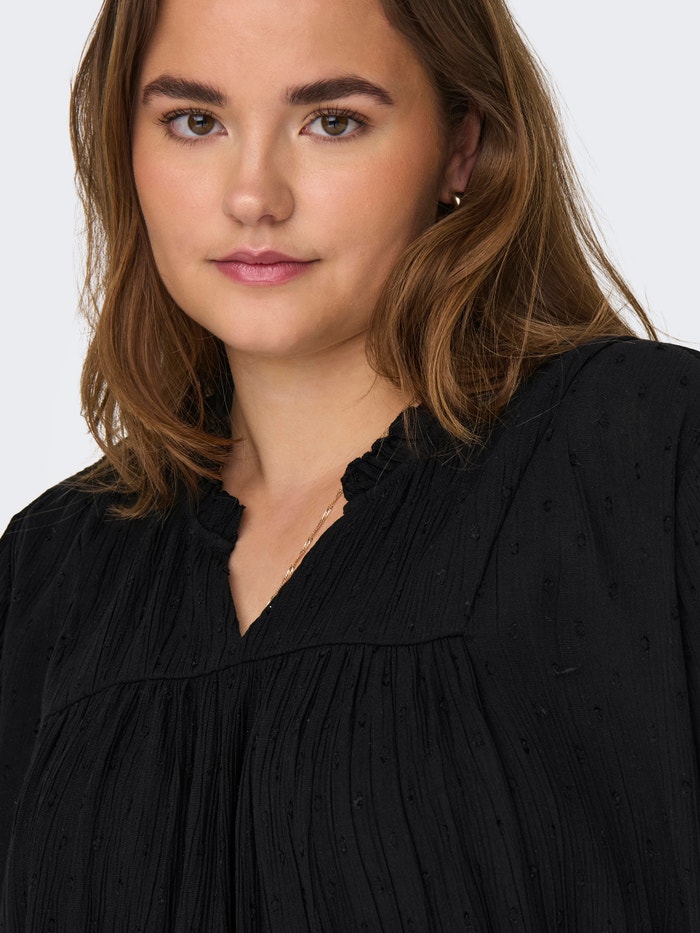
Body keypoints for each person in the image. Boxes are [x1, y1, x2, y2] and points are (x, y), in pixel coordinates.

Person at [1, 0, 698, 928]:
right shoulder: (51, 567)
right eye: (195, 121)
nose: (254, 196)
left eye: (332, 121)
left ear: (461, 146)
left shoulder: (646, 452)